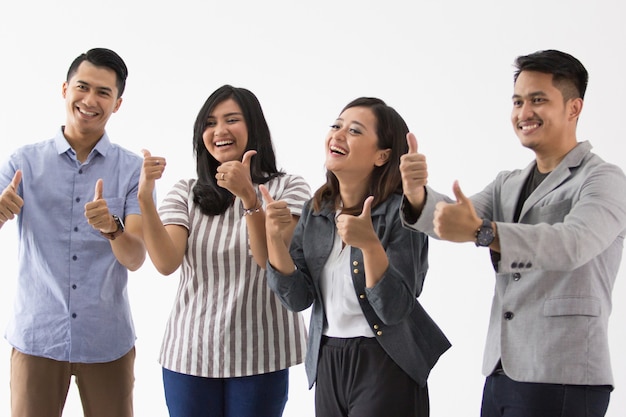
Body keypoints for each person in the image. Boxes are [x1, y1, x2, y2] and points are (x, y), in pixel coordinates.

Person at [400, 49, 626, 417]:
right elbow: (457, 220)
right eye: (518, 101)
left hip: (563, 375)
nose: (524, 113)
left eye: (538, 100)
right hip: (502, 370)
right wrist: (416, 194)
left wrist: (484, 231)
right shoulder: (508, 183)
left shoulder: (603, 179)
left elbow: (573, 244)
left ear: (574, 108)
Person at [262, 97, 451, 417]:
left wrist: (369, 246)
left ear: (383, 155)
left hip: (386, 359)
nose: (338, 134)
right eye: (336, 126)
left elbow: (395, 308)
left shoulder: (403, 212)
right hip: (327, 359)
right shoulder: (316, 209)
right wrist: (272, 238)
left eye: (354, 131)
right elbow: (298, 299)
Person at [138, 84, 310, 417]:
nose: (219, 130)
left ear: (254, 128)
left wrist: (250, 199)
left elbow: (271, 263)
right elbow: (165, 262)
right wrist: (145, 197)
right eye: (210, 122)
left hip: (262, 352)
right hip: (188, 352)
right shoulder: (186, 192)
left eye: (232, 119)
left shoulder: (288, 187)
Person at [0, 48, 147, 417]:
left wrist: (111, 229)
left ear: (117, 104)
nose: (90, 100)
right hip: (37, 338)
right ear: (65, 89)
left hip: (106, 341)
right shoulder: (23, 162)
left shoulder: (132, 170)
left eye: (104, 92)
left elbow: (135, 257)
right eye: (82, 87)